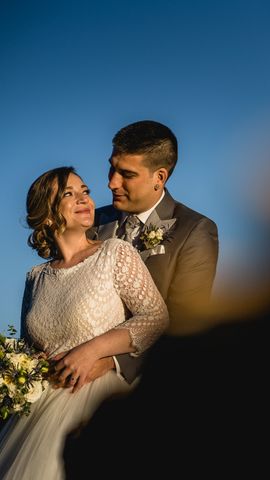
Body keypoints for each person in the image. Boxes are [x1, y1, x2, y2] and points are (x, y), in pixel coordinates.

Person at [0, 166, 169, 479]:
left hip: (98, 402)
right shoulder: (35, 277)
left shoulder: (115, 253)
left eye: (86, 192)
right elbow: (29, 346)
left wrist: (92, 351)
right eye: (69, 194)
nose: (85, 199)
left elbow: (156, 317)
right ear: (47, 216)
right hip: (40, 410)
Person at [88, 120, 219, 384]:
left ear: (159, 177)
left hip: (142, 385)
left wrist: (112, 362)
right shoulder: (90, 222)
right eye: (111, 168)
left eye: (127, 174)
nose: (112, 183)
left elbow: (183, 325)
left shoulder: (194, 231)